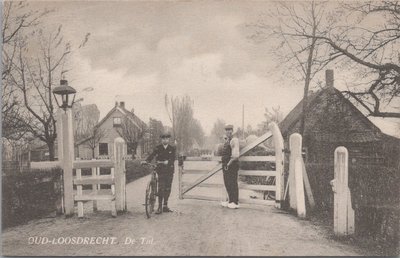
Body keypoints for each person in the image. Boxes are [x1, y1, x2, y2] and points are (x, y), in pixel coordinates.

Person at [142, 132, 176, 214]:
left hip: (169, 170)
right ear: (161, 140)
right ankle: (160, 207)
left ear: (168, 139)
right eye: (163, 139)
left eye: (167, 139)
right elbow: (152, 155)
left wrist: (168, 161)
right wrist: (146, 161)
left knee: (168, 188)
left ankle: (165, 205)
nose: (165, 140)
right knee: (161, 188)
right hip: (160, 170)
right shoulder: (158, 148)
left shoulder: (172, 149)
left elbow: (173, 158)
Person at [221, 124, 240, 209]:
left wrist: (228, 164)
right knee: (227, 183)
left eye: (230, 130)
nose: (228, 131)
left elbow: (235, 155)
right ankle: (230, 200)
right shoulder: (227, 141)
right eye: (227, 130)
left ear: (232, 131)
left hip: (231, 165)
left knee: (232, 183)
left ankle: (235, 202)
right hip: (226, 166)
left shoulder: (234, 140)